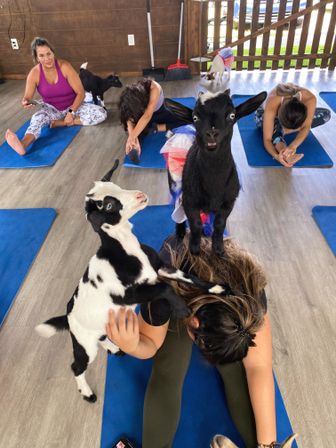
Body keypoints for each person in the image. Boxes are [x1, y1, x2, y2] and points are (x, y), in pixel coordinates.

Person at [106, 234, 293, 448]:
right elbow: (150, 343)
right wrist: (132, 345)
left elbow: (259, 367)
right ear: (193, 323)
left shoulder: (250, 295)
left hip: (219, 299)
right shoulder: (161, 287)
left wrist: (268, 445)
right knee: (168, 367)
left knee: (235, 367)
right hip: (178, 290)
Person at [5, 37, 107, 156]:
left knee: (101, 113)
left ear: (53, 52)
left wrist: (70, 113)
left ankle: (62, 123)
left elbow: (81, 93)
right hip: (51, 109)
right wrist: (26, 101)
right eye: (42, 56)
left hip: (73, 106)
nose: (47, 58)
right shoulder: (34, 73)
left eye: (49, 54)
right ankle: (23, 144)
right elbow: (27, 97)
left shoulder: (65, 67)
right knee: (37, 119)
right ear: (37, 58)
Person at [255, 82, 330, 167]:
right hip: (262, 115)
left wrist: (293, 146)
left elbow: (306, 127)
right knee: (276, 131)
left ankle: (282, 130)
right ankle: (285, 154)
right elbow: (267, 140)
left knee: (326, 114)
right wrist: (276, 156)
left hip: (292, 113)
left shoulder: (310, 98)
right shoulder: (273, 103)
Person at [119, 78, 192, 159]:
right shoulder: (131, 99)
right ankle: (148, 131)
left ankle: (157, 127)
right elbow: (129, 118)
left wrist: (131, 137)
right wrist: (132, 138)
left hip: (161, 113)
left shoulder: (154, 87)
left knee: (187, 123)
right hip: (145, 117)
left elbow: (147, 115)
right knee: (137, 131)